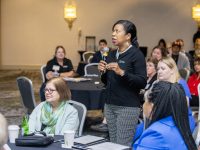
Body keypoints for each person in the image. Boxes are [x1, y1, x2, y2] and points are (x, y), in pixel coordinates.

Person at [98, 20, 147, 146]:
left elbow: (142, 82)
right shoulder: (112, 54)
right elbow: (106, 81)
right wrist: (103, 72)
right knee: (113, 144)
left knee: (122, 146)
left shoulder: (137, 55)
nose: (113, 34)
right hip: (109, 106)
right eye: (113, 31)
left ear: (128, 36)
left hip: (127, 108)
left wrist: (122, 72)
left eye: (117, 31)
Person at [133, 81, 197, 150]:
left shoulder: (156, 134)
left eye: (145, 101)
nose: (143, 105)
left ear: (152, 106)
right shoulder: (180, 125)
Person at [157, 56, 195, 132]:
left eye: (163, 68)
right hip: (165, 119)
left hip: (181, 120)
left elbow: (184, 106)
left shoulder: (181, 83)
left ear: (172, 70)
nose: (159, 71)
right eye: (158, 69)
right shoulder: (159, 84)